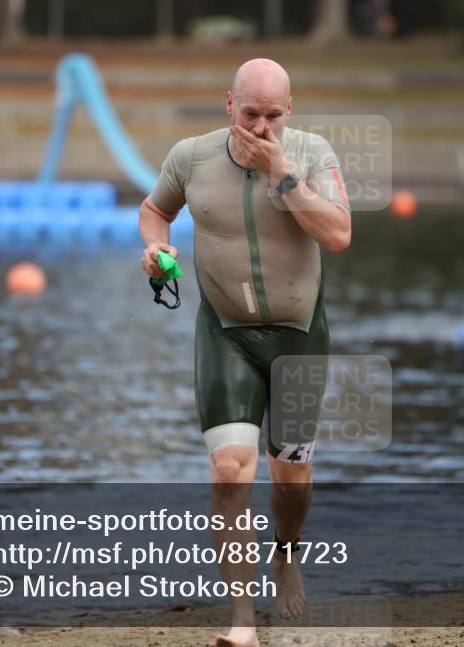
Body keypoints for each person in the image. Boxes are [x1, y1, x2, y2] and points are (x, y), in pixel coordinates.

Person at [138, 58, 351, 647]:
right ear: (229, 105)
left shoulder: (311, 153)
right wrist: (156, 249)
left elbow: (337, 234)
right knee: (230, 468)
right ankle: (242, 618)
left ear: (291, 110)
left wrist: (283, 174)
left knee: (292, 476)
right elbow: (155, 211)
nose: (261, 128)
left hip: (299, 335)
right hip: (225, 331)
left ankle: (287, 553)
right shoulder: (191, 157)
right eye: (250, 114)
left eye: (273, 116)